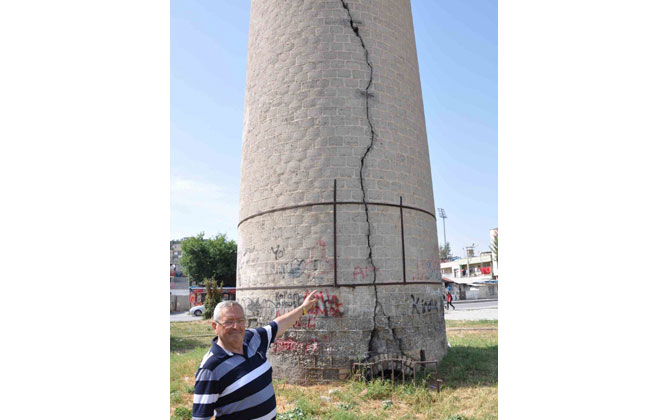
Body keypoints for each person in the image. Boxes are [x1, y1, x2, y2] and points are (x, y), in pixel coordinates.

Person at [192, 290, 319, 420]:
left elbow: (278, 325)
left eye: (240, 320)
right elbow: (200, 418)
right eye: (229, 321)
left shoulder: (253, 338)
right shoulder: (210, 368)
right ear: (215, 326)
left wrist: (304, 308)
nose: (236, 326)